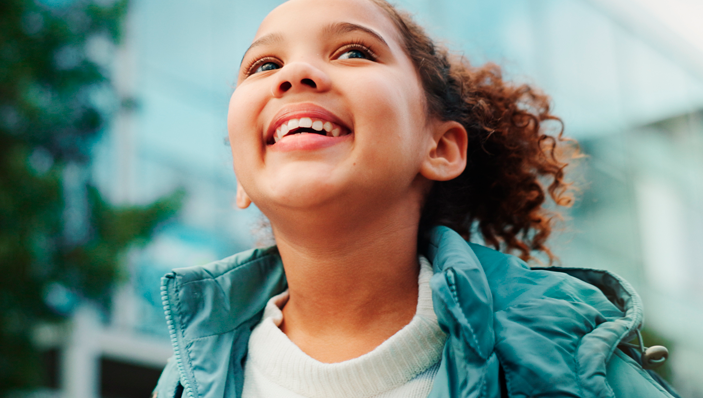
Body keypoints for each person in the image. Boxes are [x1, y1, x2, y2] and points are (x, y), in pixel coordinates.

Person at [151, 0, 681, 397]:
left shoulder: (575, 365)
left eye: (354, 51)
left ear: (442, 148)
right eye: (263, 66)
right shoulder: (184, 380)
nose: (294, 74)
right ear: (242, 177)